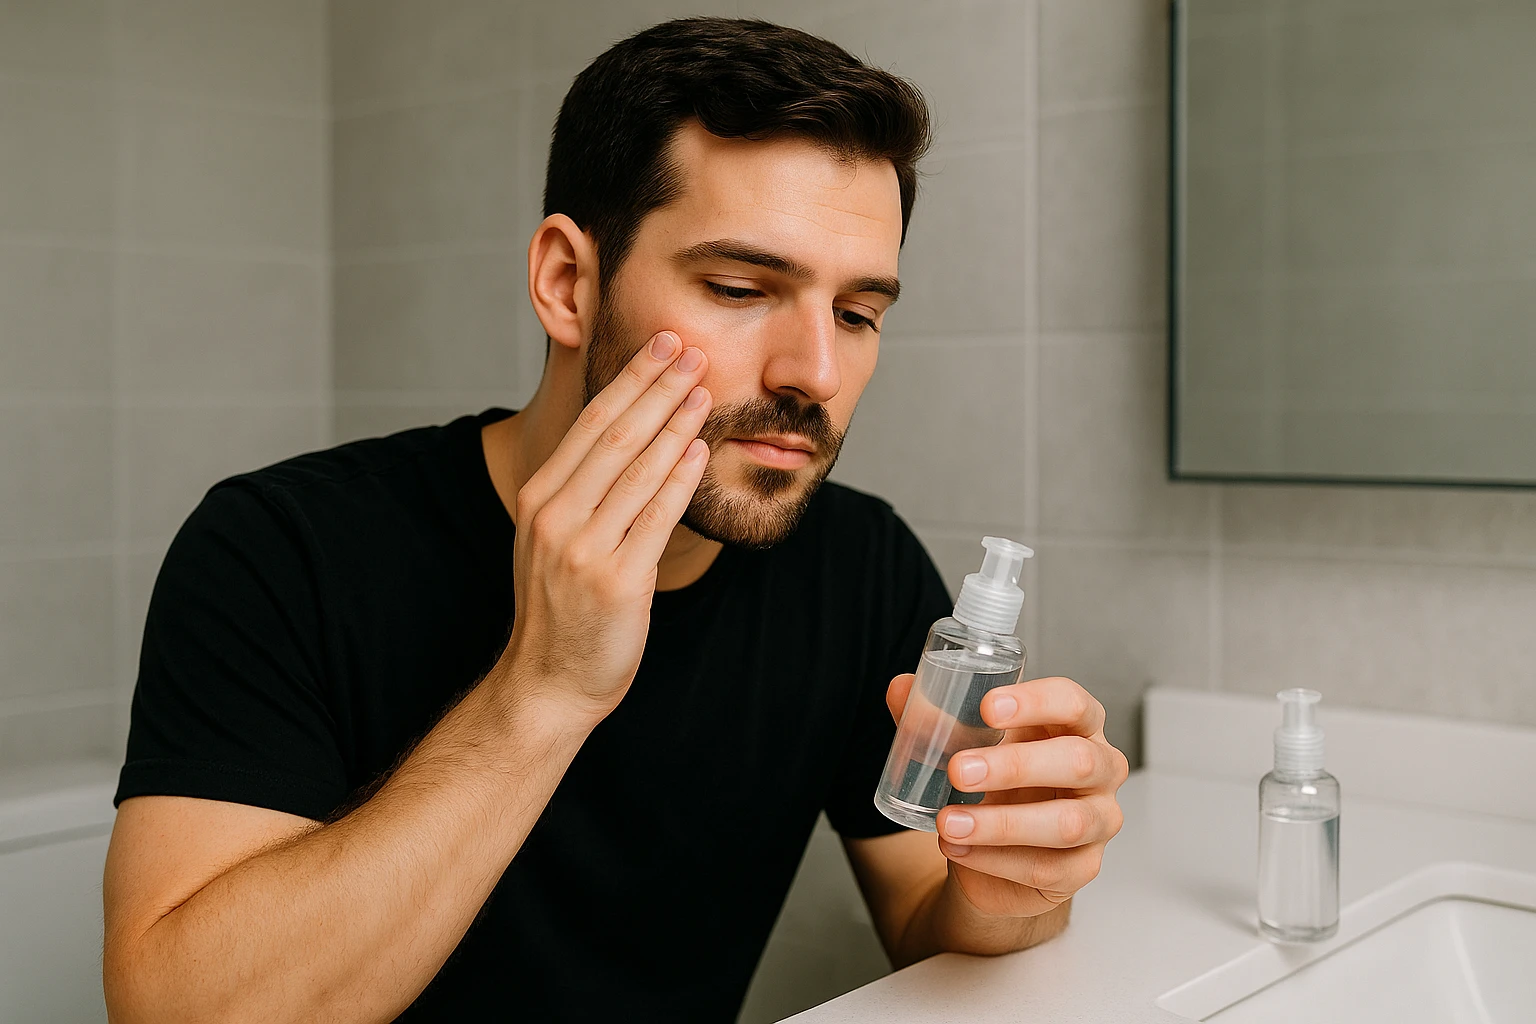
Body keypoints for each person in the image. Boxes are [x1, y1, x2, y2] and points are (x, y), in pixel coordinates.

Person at [102, 16, 1128, 1023]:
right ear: (568, 282)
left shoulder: (858, 565)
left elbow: (924, 916)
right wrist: (540, 692)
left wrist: (1005, 896)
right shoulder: (282, 548)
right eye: (738, 286)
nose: (815, 372)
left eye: (858, 313)